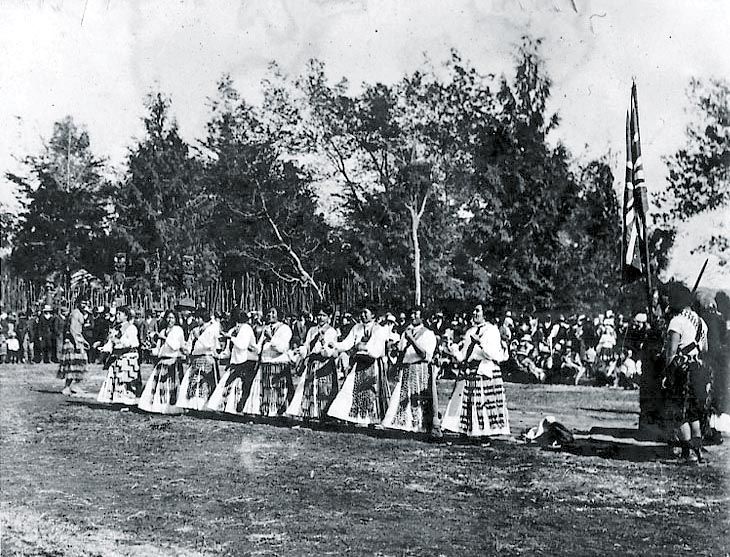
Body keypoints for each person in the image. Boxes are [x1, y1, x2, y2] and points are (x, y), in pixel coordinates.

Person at [442, 304, 510, 438]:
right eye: (474, 310)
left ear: (485, 313)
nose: (474, 313)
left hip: (485, 369)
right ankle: (467, 432)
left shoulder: (492, 330)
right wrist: (453, 349)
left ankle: (485, 435)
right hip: (471, 370)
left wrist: (480, 343)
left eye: (477, 310)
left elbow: (492, 354)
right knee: (469, 403)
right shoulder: (470, 331)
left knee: (484, 403)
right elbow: (464, 356)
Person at [661, 282, 709, 464]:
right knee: (694, 413)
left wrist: (667, 374)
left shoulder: (677, 321)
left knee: (678, 413)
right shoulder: (701, 322)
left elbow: (671, 352)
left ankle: (688, 454)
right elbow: (705, 348)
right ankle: (698, 453)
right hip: (697, 369)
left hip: (681, 371)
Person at [327, 306, 391, 426]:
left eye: (365, 312)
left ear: (373, 315)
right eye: (361, 313)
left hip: (373, 364)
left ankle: (373, 420)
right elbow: (348, 343)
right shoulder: (357, 328)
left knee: (372, 391)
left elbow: (375, 351)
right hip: (360, 362)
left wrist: (361, 346)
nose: (362, 315)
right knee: (350, 388)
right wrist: (335, 345)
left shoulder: (379, 329)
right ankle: (353, 417)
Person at [381, 309, 441, 437]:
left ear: (422, 317)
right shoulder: (406, 332)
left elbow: (424, 354)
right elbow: (402, 352)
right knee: (403, 397)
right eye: (412, 314)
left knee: (419, 398)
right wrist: (397, 366)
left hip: (421, 368)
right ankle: (405, 425)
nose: (413, 316)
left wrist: (412, 339)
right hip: (407, 368)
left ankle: (422, 426)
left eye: (416, 314)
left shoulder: (428, 334)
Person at [286, 305, 340, 422]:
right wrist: (300, 350)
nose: (321, 318)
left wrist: (322, 341)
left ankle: (323, 415)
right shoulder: (312, 330)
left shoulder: (331, 331)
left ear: (329, 317)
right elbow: (307, 345)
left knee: (324, 389)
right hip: (312, 362)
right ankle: (309, 414)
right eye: (319, 315)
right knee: (309, 388)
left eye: (324, 315)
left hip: (324, 363)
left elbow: (329, 351)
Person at [242, 307, 294, 417]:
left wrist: (271, 337)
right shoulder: (266, 328)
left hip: (278, 364)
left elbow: (281, 348)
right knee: (265, 390)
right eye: (269, 312)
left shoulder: (285, 329)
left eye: (273, 313)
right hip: (265, 363)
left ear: (279, 315)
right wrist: (250, 346)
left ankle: (278, 413)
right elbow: (259, 347)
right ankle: (265, 411)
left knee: (278, 390)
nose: (270, 315)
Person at [207, 308, 258, 415]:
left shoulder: (247, 328)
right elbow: (230, 349)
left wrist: (231, 337)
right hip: (236, 362)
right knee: (227, 384)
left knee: (242, 386)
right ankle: (228, 409)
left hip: (247, 361)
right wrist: (220, 355)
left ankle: (238, 409)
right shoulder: (234, 330)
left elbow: (242, 345)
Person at [138, 310, 187, 414]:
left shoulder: (178, 330)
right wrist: (151, 348)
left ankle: (173, 407)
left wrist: (164, 338)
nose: (170, 320)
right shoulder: (163, 331)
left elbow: (176, 346)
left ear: (176, 319)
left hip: (173, 361)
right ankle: (158, 406)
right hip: (163, 360)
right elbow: (159, 348)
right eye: (168, 318)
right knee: (159, 385)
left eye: (172, 318)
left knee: (172, 385)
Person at [177, 307, 221, 411]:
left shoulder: (212, 329)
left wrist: (198, 337)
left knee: (205, 383)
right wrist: (185, 349)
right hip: (196, 359)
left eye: (199, 318)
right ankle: (192, 405)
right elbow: (189, 344)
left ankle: (205, 406)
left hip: (207, 358)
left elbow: (209, 345)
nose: (197, 320)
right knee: (192, 382)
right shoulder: (195, 330)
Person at [97, 306, 142, 405]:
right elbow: (111, 343)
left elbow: (134, 343)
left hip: (128, 357)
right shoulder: (116, 328)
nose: (117, 316)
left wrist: (120, 341)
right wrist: (104, 348)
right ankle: (118, 400)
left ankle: (128, 402)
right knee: (117, 378)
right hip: (118, 356)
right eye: (117, 313)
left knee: (127, 379)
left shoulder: (131, 328)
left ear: (126, 316)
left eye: (119, 314)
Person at [58, 298, 91, 395]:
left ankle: (75, 385)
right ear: (78, 303)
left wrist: (83, 341)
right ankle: (67, 387)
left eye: (86, 303)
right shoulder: (75, 313)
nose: (84, 305)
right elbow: (72, 328)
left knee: (80, 365)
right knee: (72, 365)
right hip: (72, 342)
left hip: (77, 340)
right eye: (83, 302)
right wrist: (77, 343)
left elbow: (78, 330)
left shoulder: (79, 313)